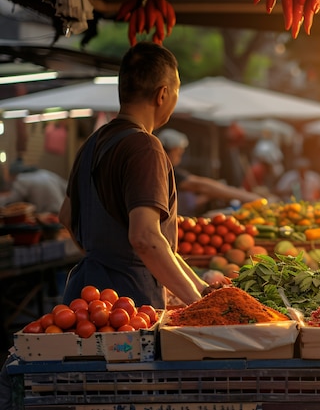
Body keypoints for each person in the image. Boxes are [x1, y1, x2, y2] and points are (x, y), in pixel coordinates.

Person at [58, 42, 229, 310]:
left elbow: (66, 216)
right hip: (128, 304)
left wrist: (201, 288)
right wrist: (199, 305)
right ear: (162, 94)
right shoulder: (145, 146)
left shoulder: (90, 144)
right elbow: (145, 237)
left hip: (85, 300)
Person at [157, 128, 263, 216]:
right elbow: (201, 185)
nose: (179, 158)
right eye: (179, 153)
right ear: (172, 150)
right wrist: (250, 197)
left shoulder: (168, 169)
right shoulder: (164, 170)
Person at [0, 158, 68, 214]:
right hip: (61, 213)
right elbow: (68, 189)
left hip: (44, 216)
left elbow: (11, 201)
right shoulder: (46, 173)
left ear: (14, 174)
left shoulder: (21, 178)